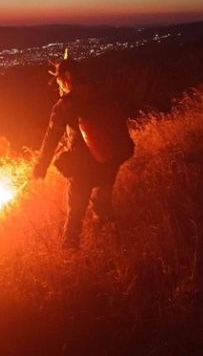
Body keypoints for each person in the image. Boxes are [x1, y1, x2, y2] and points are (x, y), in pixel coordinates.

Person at [32, 55, 134, 248]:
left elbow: (51, 138)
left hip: (82, 168)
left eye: (60, 80)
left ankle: (69, 256)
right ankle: (115, 246)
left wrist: (41, 166)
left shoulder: (64, 105)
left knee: (75, 215)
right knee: (103, 205)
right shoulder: (101, 93)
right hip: (108, 162)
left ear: (66, 78)